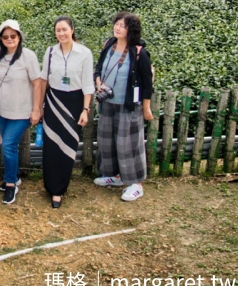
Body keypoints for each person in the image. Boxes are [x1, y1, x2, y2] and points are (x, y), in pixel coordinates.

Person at [93, 11, 155, 202]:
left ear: (131, 30)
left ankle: (136, 184)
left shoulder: (139, 53)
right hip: (108, 103)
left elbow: (147, 83)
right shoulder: (108, 46)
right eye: (117, 24)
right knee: (107, 142)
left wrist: (146, 108)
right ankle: (117, 177)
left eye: (123, 25)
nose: (117, 28)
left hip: (128, 105)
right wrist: (98, 83)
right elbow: (98, 68)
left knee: (128, 144)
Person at [0, 19, 43, 205]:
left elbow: (37, 84)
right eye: (5, 36)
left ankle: (11, 184)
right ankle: (14, 177)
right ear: (0, 39)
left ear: (19, 37)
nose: (9, 39)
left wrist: (36, 110)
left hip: (22, 112)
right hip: (2, 110)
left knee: (8, 146)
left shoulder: (28, 56)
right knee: (8, 145)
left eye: (13, 35)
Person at [41, 17, 95, 208]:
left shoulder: (84, 53)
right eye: (58, 30)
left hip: (74, 102)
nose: (61, 33)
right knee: (51, 145)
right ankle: (50, 187)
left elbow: (88, 83)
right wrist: (40, 106)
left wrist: (85, 109)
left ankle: (60, 189)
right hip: (53, 101)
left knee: (68, 145)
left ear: (72, 30)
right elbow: (44, 80)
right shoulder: (50, 52)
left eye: (64, 29)